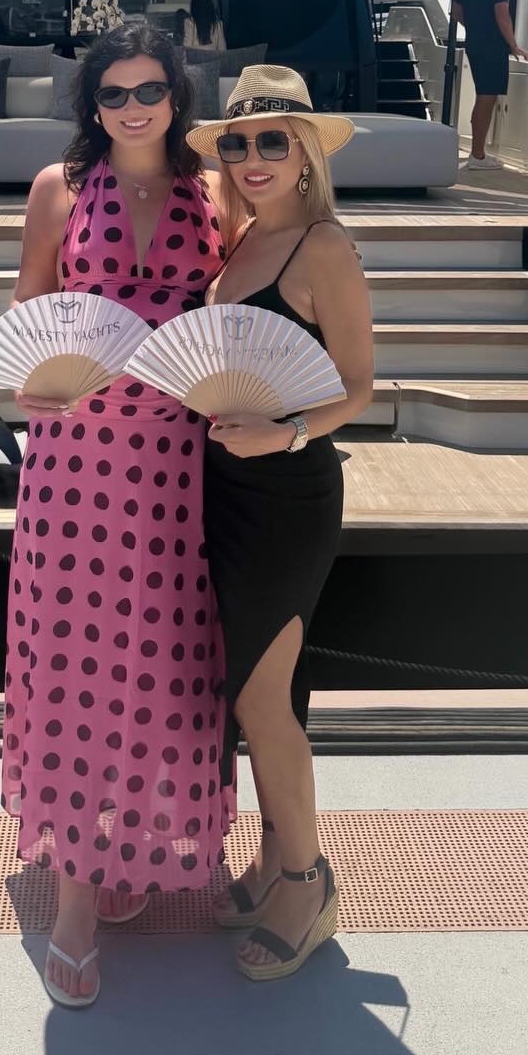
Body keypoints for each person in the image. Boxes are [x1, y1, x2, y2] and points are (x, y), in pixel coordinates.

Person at [2, 21, 231, 1008]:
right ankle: (76, 899)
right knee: (75, 663)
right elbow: (29, 307)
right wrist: (29, 381)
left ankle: (129, 839)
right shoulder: (58, 188)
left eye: (149, 90)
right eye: (113, 93)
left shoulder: (215, 191)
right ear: (91, 104)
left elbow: (240, 317)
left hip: (177, 460)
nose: (133, 108)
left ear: (178, 96)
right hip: (77, 458)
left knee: (158, 661)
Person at [186, 64, 375, 982]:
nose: (252, 156)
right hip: (224, 490)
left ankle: (307, 884)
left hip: (289, 495)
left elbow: (359, 388)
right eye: (237, 141)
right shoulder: (240, 240)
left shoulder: (323, 246)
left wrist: (286, 430)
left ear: (306, 153)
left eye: (273, 139)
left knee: (262, 701)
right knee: (264, 696)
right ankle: (271, 861)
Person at [450, 0, 528, 170]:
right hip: (492, 45)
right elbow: (502, 13)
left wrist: (474, 25)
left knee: (482, 94)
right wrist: (513, 44)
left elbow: (456, 12)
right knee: (487, 96)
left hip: (474, 42)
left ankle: (477, 152)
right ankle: (478, 155)